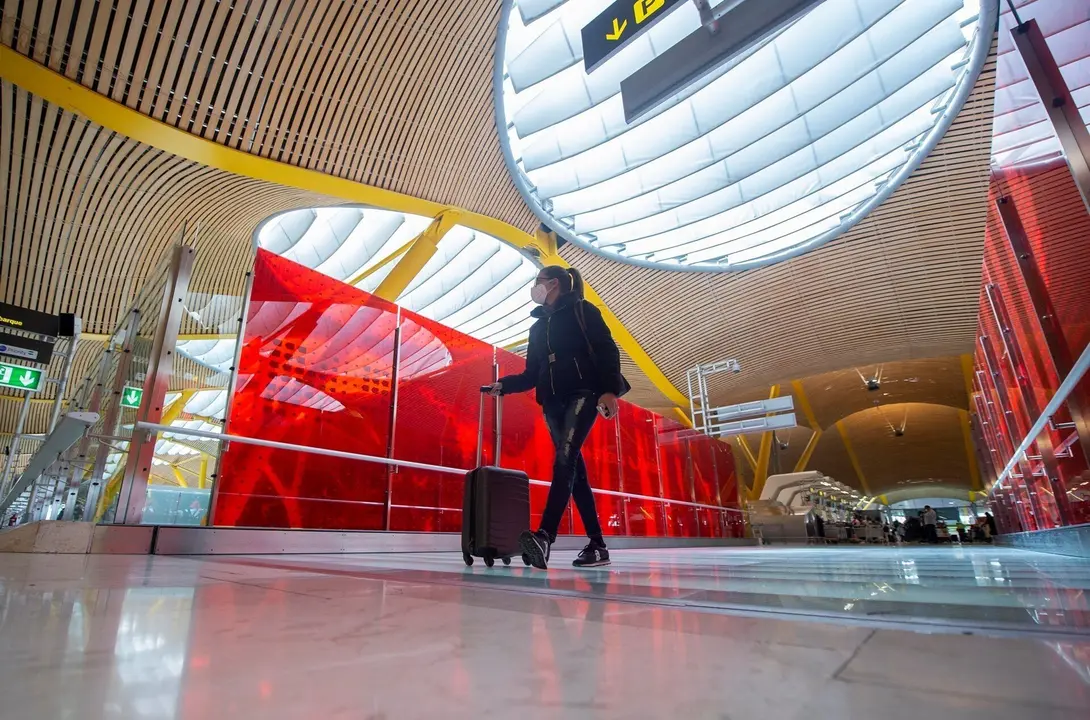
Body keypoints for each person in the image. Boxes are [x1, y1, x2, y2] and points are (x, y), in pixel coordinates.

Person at [486, 265, 628, 570]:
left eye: (537, 282)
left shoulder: (583, 310)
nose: (534, 288)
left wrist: (609, 391)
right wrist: (504, 385)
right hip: (551, 401)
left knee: (565, 458)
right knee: (574, 470)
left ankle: (545, 535)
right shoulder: (537, 328)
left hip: (584, 392)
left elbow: (607, 349)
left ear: (552, 284)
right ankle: (598, 545)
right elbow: (531, 374)